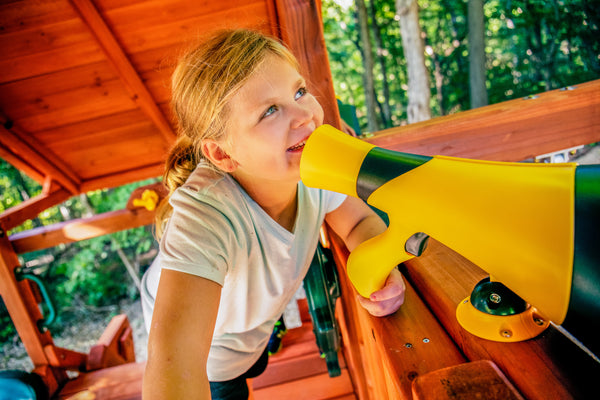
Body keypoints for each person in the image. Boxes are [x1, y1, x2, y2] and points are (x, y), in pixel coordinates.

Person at [141, 29, 406, 400]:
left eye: (299, 92)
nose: (305, 117)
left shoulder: (313, 163)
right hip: (213, 357)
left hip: (256, 321)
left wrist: (381, 268)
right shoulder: (204, 216)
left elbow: (360, 222)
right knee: (234, 382)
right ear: (222, 155)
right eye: (269, 111)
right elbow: (175, 362)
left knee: (258, 357)